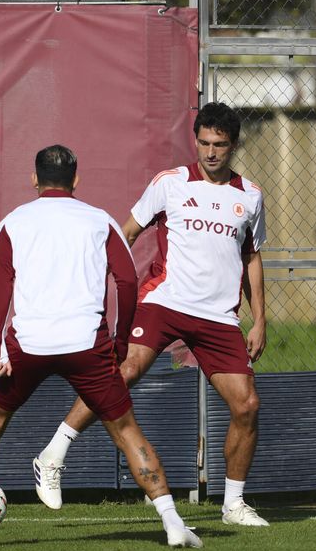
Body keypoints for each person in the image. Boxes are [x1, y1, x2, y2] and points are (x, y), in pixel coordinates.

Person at [0, 145, 200, 549]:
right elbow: (128, 283)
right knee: (127, 431)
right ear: (76, 180)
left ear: (34, 179)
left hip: (27, 346)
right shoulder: (100, 221)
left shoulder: (13, 223)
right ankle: (172, 524)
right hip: (88, 346)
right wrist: (118, 341)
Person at [31, 103, 270, 527]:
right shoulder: (170, 184)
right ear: (195, 140)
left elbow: (252, 257)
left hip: (219, 317)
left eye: (220, 145)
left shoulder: (250, 196)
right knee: (123, 373)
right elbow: (126, 234)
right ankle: (53, 455)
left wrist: (261, 319)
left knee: (247, 405)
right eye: (204, 142)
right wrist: (93, 284)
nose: (211, 152)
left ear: (233, 146)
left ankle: (233, 504)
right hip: (165, 301)